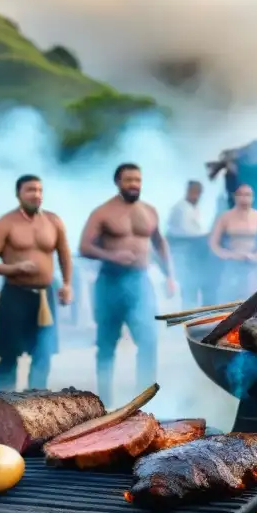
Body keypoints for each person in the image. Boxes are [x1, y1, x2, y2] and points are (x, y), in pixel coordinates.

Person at [79, 163, 175, 406]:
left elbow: (159, 242)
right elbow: (84, 247)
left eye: (138, 180)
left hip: (140, 283)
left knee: (149, 340)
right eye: (129, 180)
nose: (134, 184)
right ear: (117, 182)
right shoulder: (102, 212)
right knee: (106, 344)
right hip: (110, 283)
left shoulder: (150, 211)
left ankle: (143, 400)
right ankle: (104, 403)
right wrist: (113, 256)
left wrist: (169, 276)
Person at [0, 175, 73, 392]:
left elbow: (64, 255)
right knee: (9, 353)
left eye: (39, 190)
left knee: (43, 352)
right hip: (15, 294)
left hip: (45, 296)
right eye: (30, 190)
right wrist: (15, 268)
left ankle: (35, 402)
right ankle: (6, 403)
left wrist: (67, 284)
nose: (36, 195)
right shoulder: (5, 223)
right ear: (18, 194)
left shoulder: (53, 221)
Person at [208, 184, 257, 302]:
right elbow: (213, 244)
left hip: (253, 267)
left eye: (247, 195)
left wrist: (255, 257)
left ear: (252, 197)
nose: (244, 198)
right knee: (228, 301)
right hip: (231, 266)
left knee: (254, 302)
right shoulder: (225, 217)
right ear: (235, 196)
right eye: (240, 194)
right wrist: (227, 255)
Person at [166, 180, 207, 308]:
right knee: (188, 286)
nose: (196, 196)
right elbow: (185, 231)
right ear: (188, 191)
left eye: (198, 193)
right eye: (193, 192)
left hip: (192, 253)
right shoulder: (180, 208)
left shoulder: (194, 208)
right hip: (183, 252)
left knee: (193, 287)